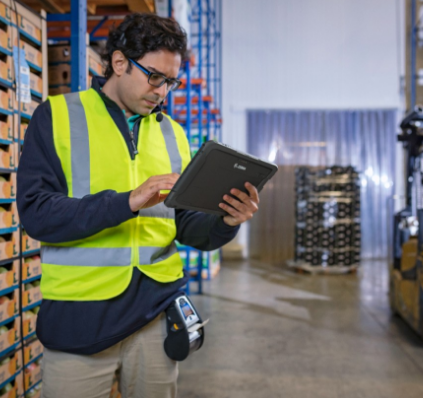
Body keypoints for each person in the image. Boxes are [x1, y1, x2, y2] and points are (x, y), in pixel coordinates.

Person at [16, 13, 261, 398]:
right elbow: (37, 215)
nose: (163, 91)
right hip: (80, 320)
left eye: (171, 81)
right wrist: (127, 202)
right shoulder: (57, 117)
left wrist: (226, 220)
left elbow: (185, 225)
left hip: (155, 315)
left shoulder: (172, 134)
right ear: (118, 63)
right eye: (155, 77)